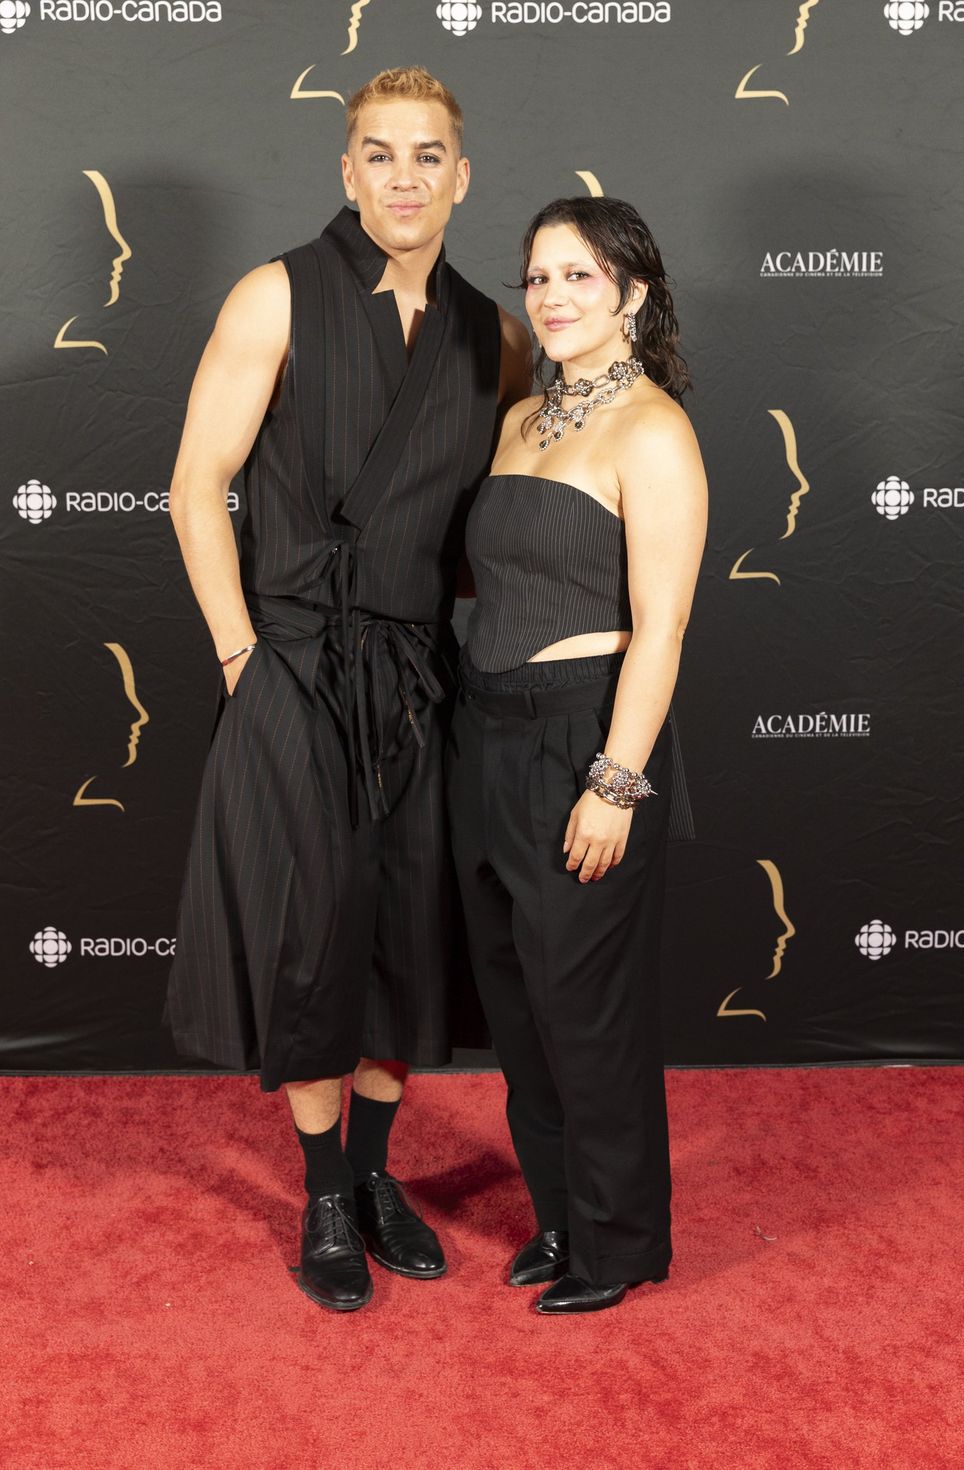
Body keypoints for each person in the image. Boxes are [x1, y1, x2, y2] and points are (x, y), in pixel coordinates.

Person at [164, 67, 530, 1312]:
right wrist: (238, 659)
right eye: (379, 155)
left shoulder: (495, 333)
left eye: (429, 155)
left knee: (404, 940)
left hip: (423, 678)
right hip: (294, 666)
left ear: (461, 174)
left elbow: (528, 499)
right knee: (312, 940)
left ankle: (377, 1175)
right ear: (345, 170)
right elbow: (193, 485)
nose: (405, 178)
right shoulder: (274, 295)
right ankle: (323, 1190)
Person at [448, 196, 707, 1314]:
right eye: (537, 278)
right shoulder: (520, 420)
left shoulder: (652, 430)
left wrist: (614, 782)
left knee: (586, 1015)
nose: (550, 298)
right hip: (482, 736)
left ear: (631, 296)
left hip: (583, 741)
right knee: (519, 1013)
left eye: (579, 278)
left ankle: (620, 1243)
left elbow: (663, 628)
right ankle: (558, 1218)